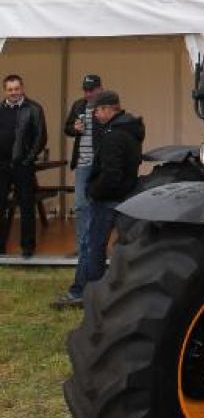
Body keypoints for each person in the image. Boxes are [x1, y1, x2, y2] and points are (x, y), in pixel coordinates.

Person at [52, 90, 144, 308]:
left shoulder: (114, 134)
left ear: (107, 109)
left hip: (107, 199)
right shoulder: (129, 129)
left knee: (92, 247)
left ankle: (88, 295)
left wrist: (93, 192)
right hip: (123, 196)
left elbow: (111, 174)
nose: (95, 116)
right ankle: (96, 292)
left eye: (97, 111)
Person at [0, 73, 47, 258]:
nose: (13, 92)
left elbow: (41, 137)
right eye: (10, 89)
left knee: (27, 207)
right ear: (5, 90)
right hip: (1, 166)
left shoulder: (34, 109)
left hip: (23, 166)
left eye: (16, 89)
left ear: (22, 88)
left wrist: (27, 160)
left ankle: (28, 247)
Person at [64, 73, 104, 258]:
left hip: (100, 164)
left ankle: (96, 249)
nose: (88, 94)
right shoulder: (78, 105)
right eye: (86, 90)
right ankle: (82, 248)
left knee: (100, 205)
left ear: (100, 88)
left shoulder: (105, 106)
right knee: (80, 204)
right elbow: (67, 128)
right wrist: (75, 129)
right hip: (81, 163)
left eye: (92, 90)